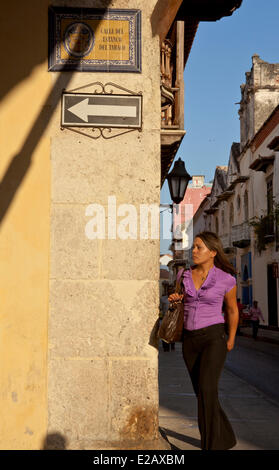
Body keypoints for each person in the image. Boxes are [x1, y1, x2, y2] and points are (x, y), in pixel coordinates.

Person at [169, 231, 238, 450]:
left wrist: (231, 339)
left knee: (208, 389)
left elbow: (232, 310)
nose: (194, 251)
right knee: (202, 392)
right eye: (194, 247)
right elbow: (177, 302)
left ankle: (211, 445)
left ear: (213, 252)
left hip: (213, 338)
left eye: (199, 247)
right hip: (190, 340)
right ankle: (226, 437)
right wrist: (174, 299)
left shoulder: (227, 279)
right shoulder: (183, 276)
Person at [160, 286, 175, 351]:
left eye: (172, 290)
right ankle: (165, 347)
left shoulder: (176, 299)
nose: (170, 291)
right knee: (164, 333)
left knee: (172, 332)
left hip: (173, 319)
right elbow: (160, 308)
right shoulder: (163, 299)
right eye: (169, 289)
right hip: (165, 318)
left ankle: (172, 345)